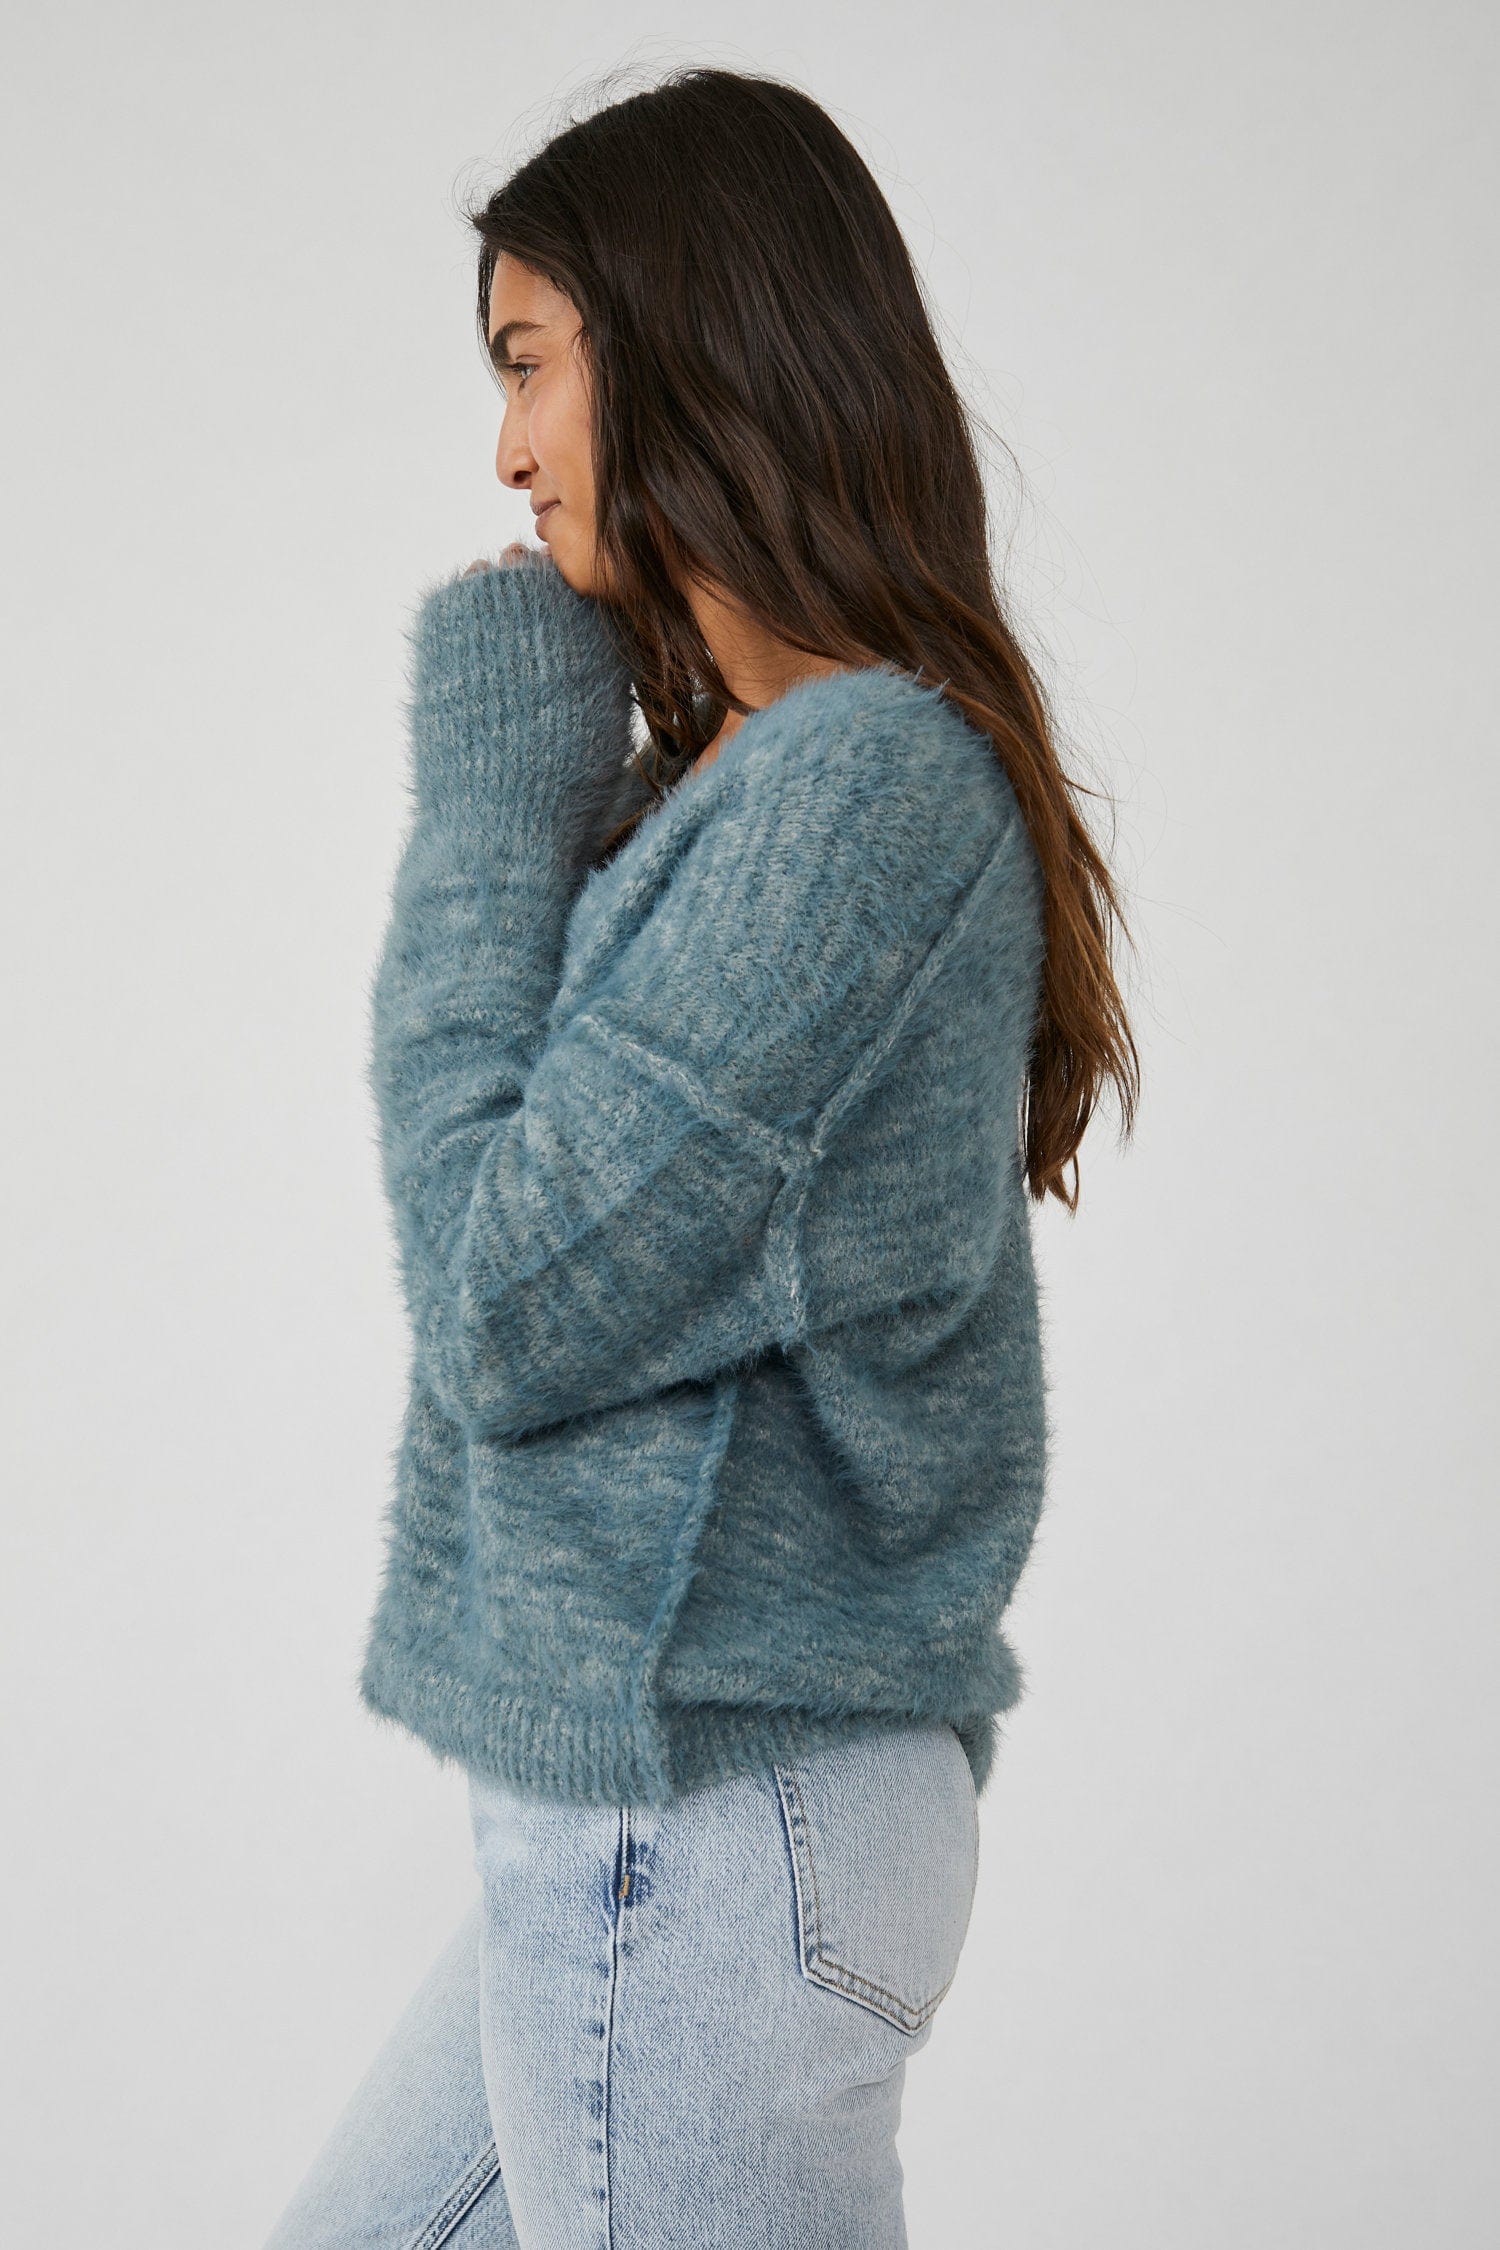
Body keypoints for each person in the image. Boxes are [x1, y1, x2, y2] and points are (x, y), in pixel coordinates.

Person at [266, 63, 1138, 2250]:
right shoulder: (749, 791)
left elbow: (509, 1300)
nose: (505, 448)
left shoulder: (866, 795)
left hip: (717, 1821)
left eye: (527, 362)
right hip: (663, 1805)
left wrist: (491, 799)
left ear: (688, 344)